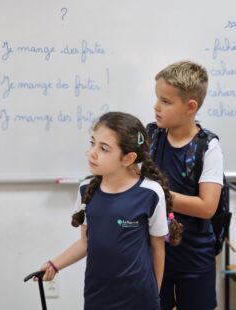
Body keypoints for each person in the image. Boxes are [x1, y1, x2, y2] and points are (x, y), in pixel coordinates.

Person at [37, 111, 183, 310]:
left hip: (140, 299)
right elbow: (85, 242)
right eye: (92, 143)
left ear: (128, 158)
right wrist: (55, 264)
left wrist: (154, 296)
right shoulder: (86, 189)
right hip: (97, 296)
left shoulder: (150, 193)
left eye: (104, 148)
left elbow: (158, 248)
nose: (92, 153)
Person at [146, 60, 223, 310]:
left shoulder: (208, 147)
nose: (156, 107)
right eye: (157, 98)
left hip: (195, 258)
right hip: (155, 254)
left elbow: (207, 207)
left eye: (165, 102)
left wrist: (160, 194)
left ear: (191, 107)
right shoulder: (149, 137)